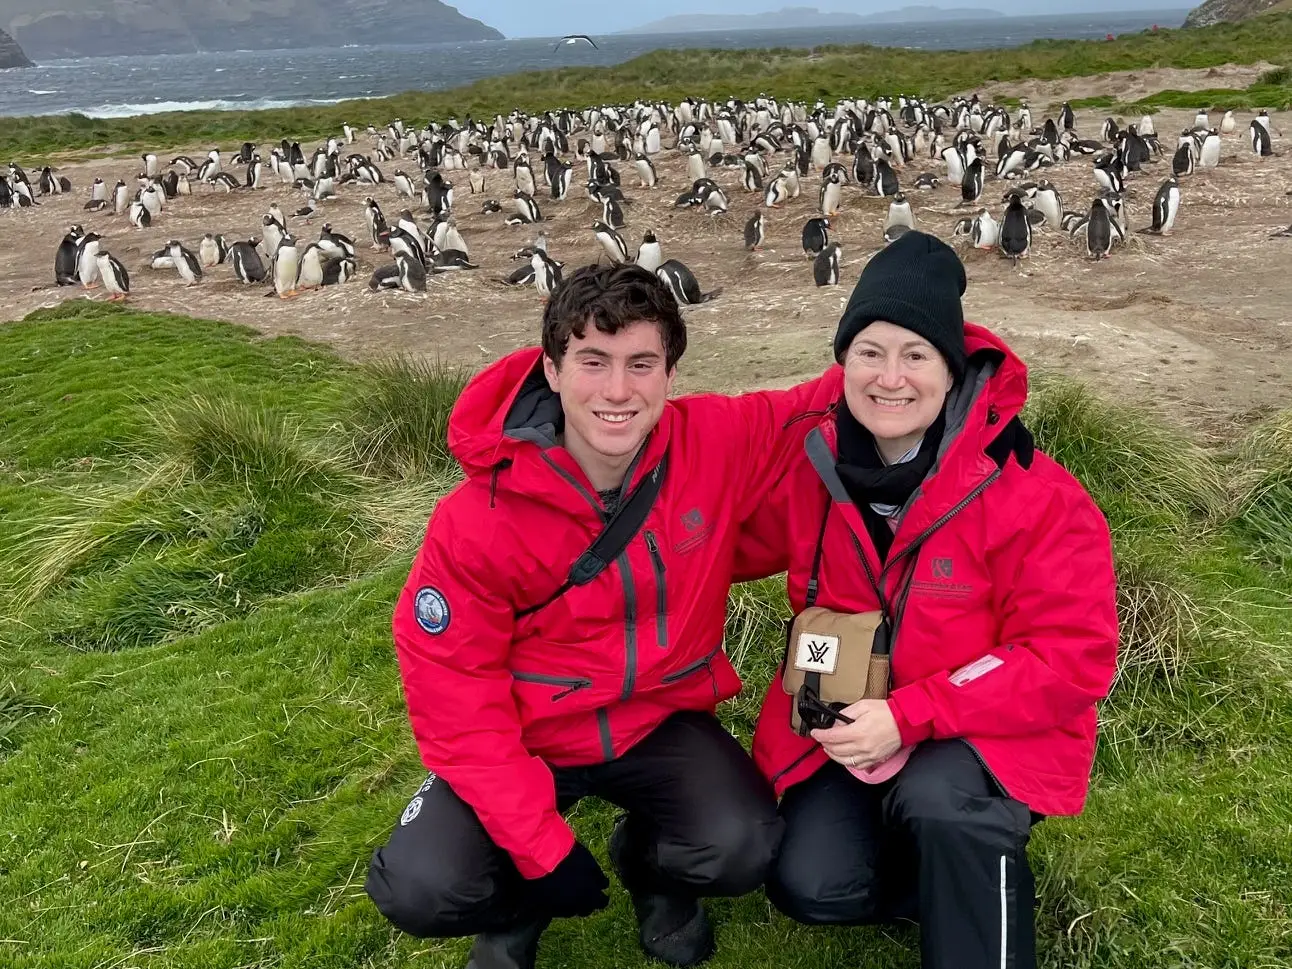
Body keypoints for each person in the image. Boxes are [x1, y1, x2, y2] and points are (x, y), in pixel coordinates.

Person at [364, 263, 831, 969]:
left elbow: (838, 394)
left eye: (641, 364)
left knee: (741, 843)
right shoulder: (475, 520)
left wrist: (940, 338)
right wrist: (544, 855)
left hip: (657, 719)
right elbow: (456, 699)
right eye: (593, 362)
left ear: (670, 374)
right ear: (552, 370)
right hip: (530, 733)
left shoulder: (713, 440)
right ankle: (517, 910)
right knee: (422, 886)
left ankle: (649, 866)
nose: (617, 390)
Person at [735, 230, 1120, 969]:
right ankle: (950, 876)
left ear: (951, 368)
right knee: (811, 883)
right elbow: (713, 547)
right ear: (842, 364)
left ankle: (969, 867)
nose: (891, 378)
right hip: (856, 728)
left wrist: (911, 715)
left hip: (982, 730)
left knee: (944, 803)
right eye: (869, 352)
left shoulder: (1035, 495)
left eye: (916, 355)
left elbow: (1070, 658)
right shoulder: (815, 469)